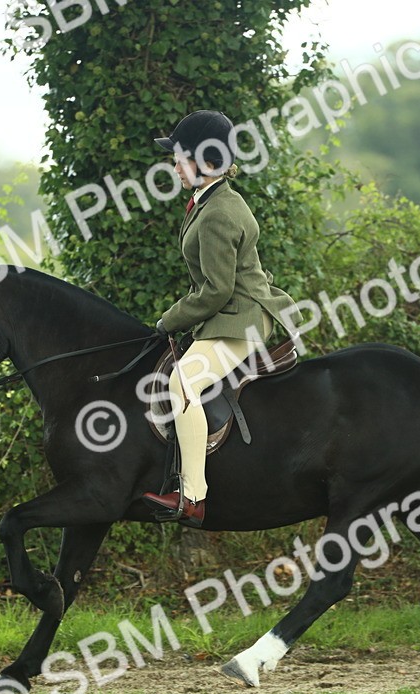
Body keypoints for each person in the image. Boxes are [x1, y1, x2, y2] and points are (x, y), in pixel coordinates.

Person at [142, 110, 302, 527]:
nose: (174, 166)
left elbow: (216, 290)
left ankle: (192, 496)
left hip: (240, 319)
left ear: (206, 162)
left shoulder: (218, 213)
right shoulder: (211, 200)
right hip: (228, 314)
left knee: (183, 383)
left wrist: (169, 321)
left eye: (180, 158)